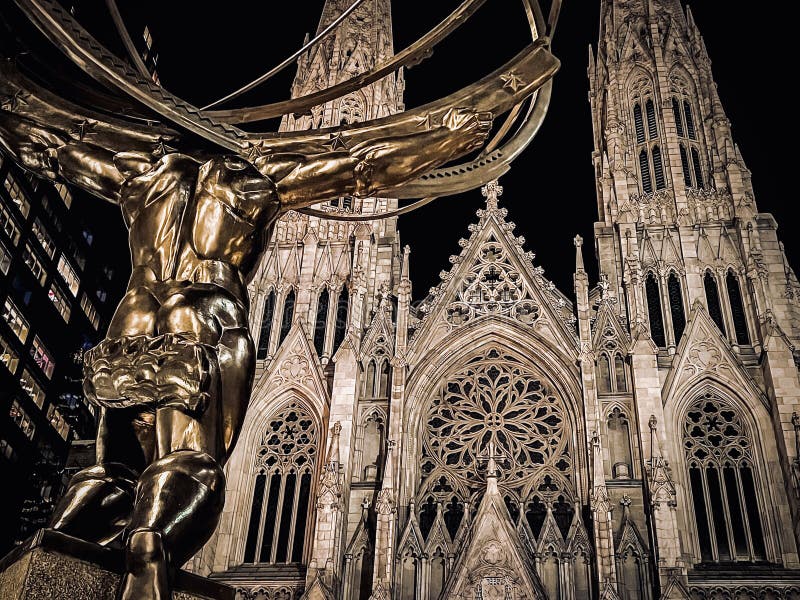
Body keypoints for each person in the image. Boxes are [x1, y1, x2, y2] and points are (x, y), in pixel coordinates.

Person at [0, 95, 491, 598]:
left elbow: (51, 147)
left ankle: (56, 545)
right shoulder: (252, 176)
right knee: (193, 459)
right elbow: (361, 162)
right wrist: (453, 131)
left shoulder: (142, 169)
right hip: (202, 315)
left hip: (133, 318)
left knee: (113, 469)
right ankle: (152, 542)